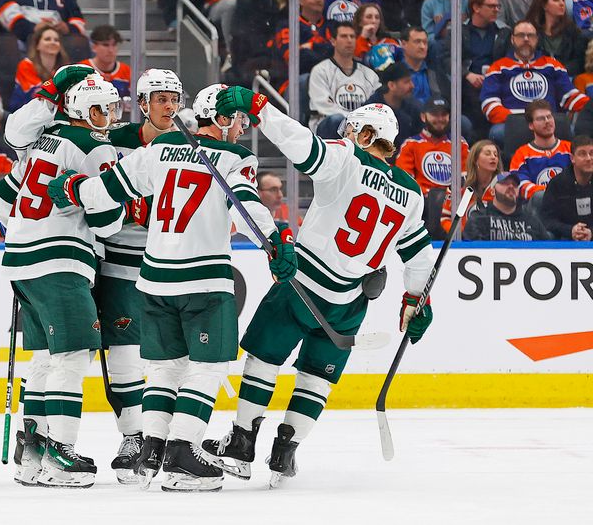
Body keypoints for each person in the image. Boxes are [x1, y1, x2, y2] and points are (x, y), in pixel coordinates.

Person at [48, 83, 296, 493]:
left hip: (154, 279)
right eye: (235, 119)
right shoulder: (236, 157)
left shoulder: (159, 149)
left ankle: (151, 449)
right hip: (203, 279)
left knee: (165, 368)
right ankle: (183, 452)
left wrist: (70, 188)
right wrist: (275, 242)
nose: (239, 127)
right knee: (208, 366)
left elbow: (107, 189)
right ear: (219, 118)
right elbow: (247, 206)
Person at [202, 87, 434, 487]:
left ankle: (241, 444)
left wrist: (259, 108)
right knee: (316, 377)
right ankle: (284, 454)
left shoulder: (347, 158)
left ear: (364, 136)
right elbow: (420, 259)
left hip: (301, 285)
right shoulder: (411, 194)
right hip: (349, 302)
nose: (346, 137)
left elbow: (300, 142)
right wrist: (416, 300)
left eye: (352, 131)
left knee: (263, 359)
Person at [0, 72, 126, 489]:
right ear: (83, 110)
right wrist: (123, 205)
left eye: (112, 107)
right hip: (60, 259)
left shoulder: (40, 141)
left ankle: (31, 452)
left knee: (48, 357)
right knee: (73, 353)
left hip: (22, 259)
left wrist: (16, 226)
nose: (108, 116)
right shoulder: (94, 146)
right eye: (102, 109)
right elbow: (108, 224)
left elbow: (0, 196)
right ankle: (60, 452)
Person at [93, 68, 186, 484]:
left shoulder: (190, 146)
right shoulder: (113, 141)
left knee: (172, 355)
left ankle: (169, 436)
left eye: (174, 99)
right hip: (119, 259)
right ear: (143, 103)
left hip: (169, 260)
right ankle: (133, 435)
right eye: (160, 99)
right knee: (124, 351)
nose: (169, 106)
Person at [481, 20, 589, 146]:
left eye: (530, 35)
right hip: (512, 123)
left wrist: (590, 105)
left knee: (570, 130)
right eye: (521, 35)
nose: (526, 39)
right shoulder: (498, 67)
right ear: (512, 39)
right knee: (498, 132)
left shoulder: (551, 65)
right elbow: (489, 104)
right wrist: (521, 119)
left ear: (537, 39)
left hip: (549, 122)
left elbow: (570, 96)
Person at [308, 22, 380, 136]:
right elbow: (324, 107)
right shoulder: (320, 70)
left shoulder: (369, 75)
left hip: (362, 129)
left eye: (352, 37)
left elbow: (378, 105)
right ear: (333, 41)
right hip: (327, 129)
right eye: (344, 36)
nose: (349, 40)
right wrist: (353, 122)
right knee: (337, 120)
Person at [458, 0, 512, 137]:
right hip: (467, 87)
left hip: (496, 86)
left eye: (498, 6)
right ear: (476, 7)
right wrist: (466, 74)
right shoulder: (458, 31)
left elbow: (509, 61)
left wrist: (493, 75)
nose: (496, 10)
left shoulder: (504, 32)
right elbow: (447, 59)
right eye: (491, 6)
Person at [396, 97, 469, 197]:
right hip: (422, 202)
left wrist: (448, 197)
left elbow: (467, 178)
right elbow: (404, 181)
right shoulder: (411, 144)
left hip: (453, 203)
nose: (440, 119)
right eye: (434, 114)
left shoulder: (459, 144)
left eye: (444, 114)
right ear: (423, 116)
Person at [509, 100, 571, 200]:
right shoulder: (521, 154)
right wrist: (551, 192)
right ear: (531, 125)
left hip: (569, 202)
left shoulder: (571, 149)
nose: (547, 121)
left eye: (549, 116)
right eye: (540, 119)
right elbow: (519, 185)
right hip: (537, 208)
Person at [271, 0, 333, 94]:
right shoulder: (288, 25)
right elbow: (295, 58)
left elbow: (343, 54)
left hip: (331, 78)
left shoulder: (333, 26)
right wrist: (327, 51)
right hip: (294, 82)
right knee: (309, 80)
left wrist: (312, 46)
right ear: (300, 1)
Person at [463, 171, 551, 240]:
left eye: (515, 185)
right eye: (504, 183)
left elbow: (550, 251)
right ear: (492, 191)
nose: (511, 186)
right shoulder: (480, 218)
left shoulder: (532, 221)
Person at [440, 139, 503, 233]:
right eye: (487, 153)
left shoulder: (504, 185)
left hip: (495, 241)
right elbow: (446, 218)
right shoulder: (459, 183)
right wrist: (461, 235)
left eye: (495, 154)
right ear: (475, 159)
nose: (493, 157)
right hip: (464, 243)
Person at [541, 134, 593, 240]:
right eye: (582, 154)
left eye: (592, 153)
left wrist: (591, 232)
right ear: (572, 158)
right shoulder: (557, 183)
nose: (589, 158)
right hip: (565, 238)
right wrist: (570, 230)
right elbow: (547, 220)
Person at [526, 0, 589, 78]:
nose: (561, 3)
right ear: (544, 5)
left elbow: (579, 62)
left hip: (567, 77)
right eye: (556, 0)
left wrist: (559, 69)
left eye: (563, 0)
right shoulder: (531, 31)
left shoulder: (574, 31)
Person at [10, 24, 70, 111]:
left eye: (56, 40)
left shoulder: (64, 68)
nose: (53, 42)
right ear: (37, 45)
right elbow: (39, 94)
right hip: (25, 112)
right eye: (47, 39)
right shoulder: (26, 65)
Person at [364, 61, 422, 146]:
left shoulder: (415, 107)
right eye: (406, 82)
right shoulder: (370, 109)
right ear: (391, 85)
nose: (412, 86)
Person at [0, 0, 87, 44]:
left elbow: (78, 21)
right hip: (20, 43)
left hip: (58, 42)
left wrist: (67, 28)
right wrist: (34, 28)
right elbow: (7, 16)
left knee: (84, 44)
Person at [399, 25, 449, 105]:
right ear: (404, 44)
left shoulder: (435, 71)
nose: (422, 47)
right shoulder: (395, 73)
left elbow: (446, 99)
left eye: (425, 42)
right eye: (417, 42)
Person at [81, 25, 132, 100]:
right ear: (93, 47)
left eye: (114, 45)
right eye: (105, 45)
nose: (110, 50)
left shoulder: (127, 71)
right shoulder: (81, 69)